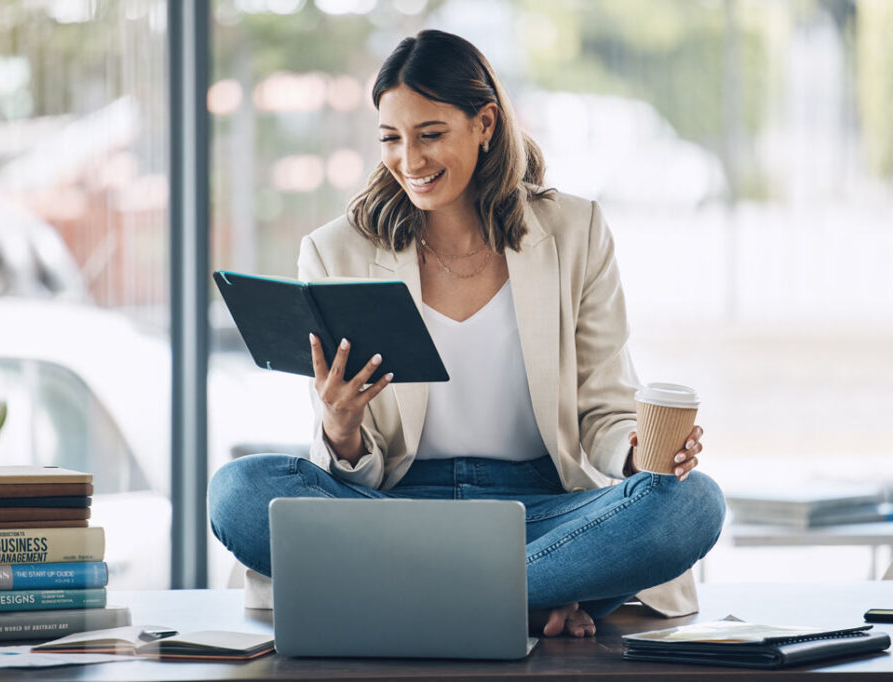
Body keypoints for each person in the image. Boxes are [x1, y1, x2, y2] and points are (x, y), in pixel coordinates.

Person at [209, 29, 725, 638]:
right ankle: (525, 596)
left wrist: (643, 453)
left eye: (430, 135)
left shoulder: (573, 230)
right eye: (391, 139)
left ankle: (430, 596)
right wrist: (340, 430)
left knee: (693, 505)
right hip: (396, 510)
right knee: (238, 490)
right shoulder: (335, 251)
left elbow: (603, 409)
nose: (410, 160)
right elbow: (354, 468)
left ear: (484, 123)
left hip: (542, 511)